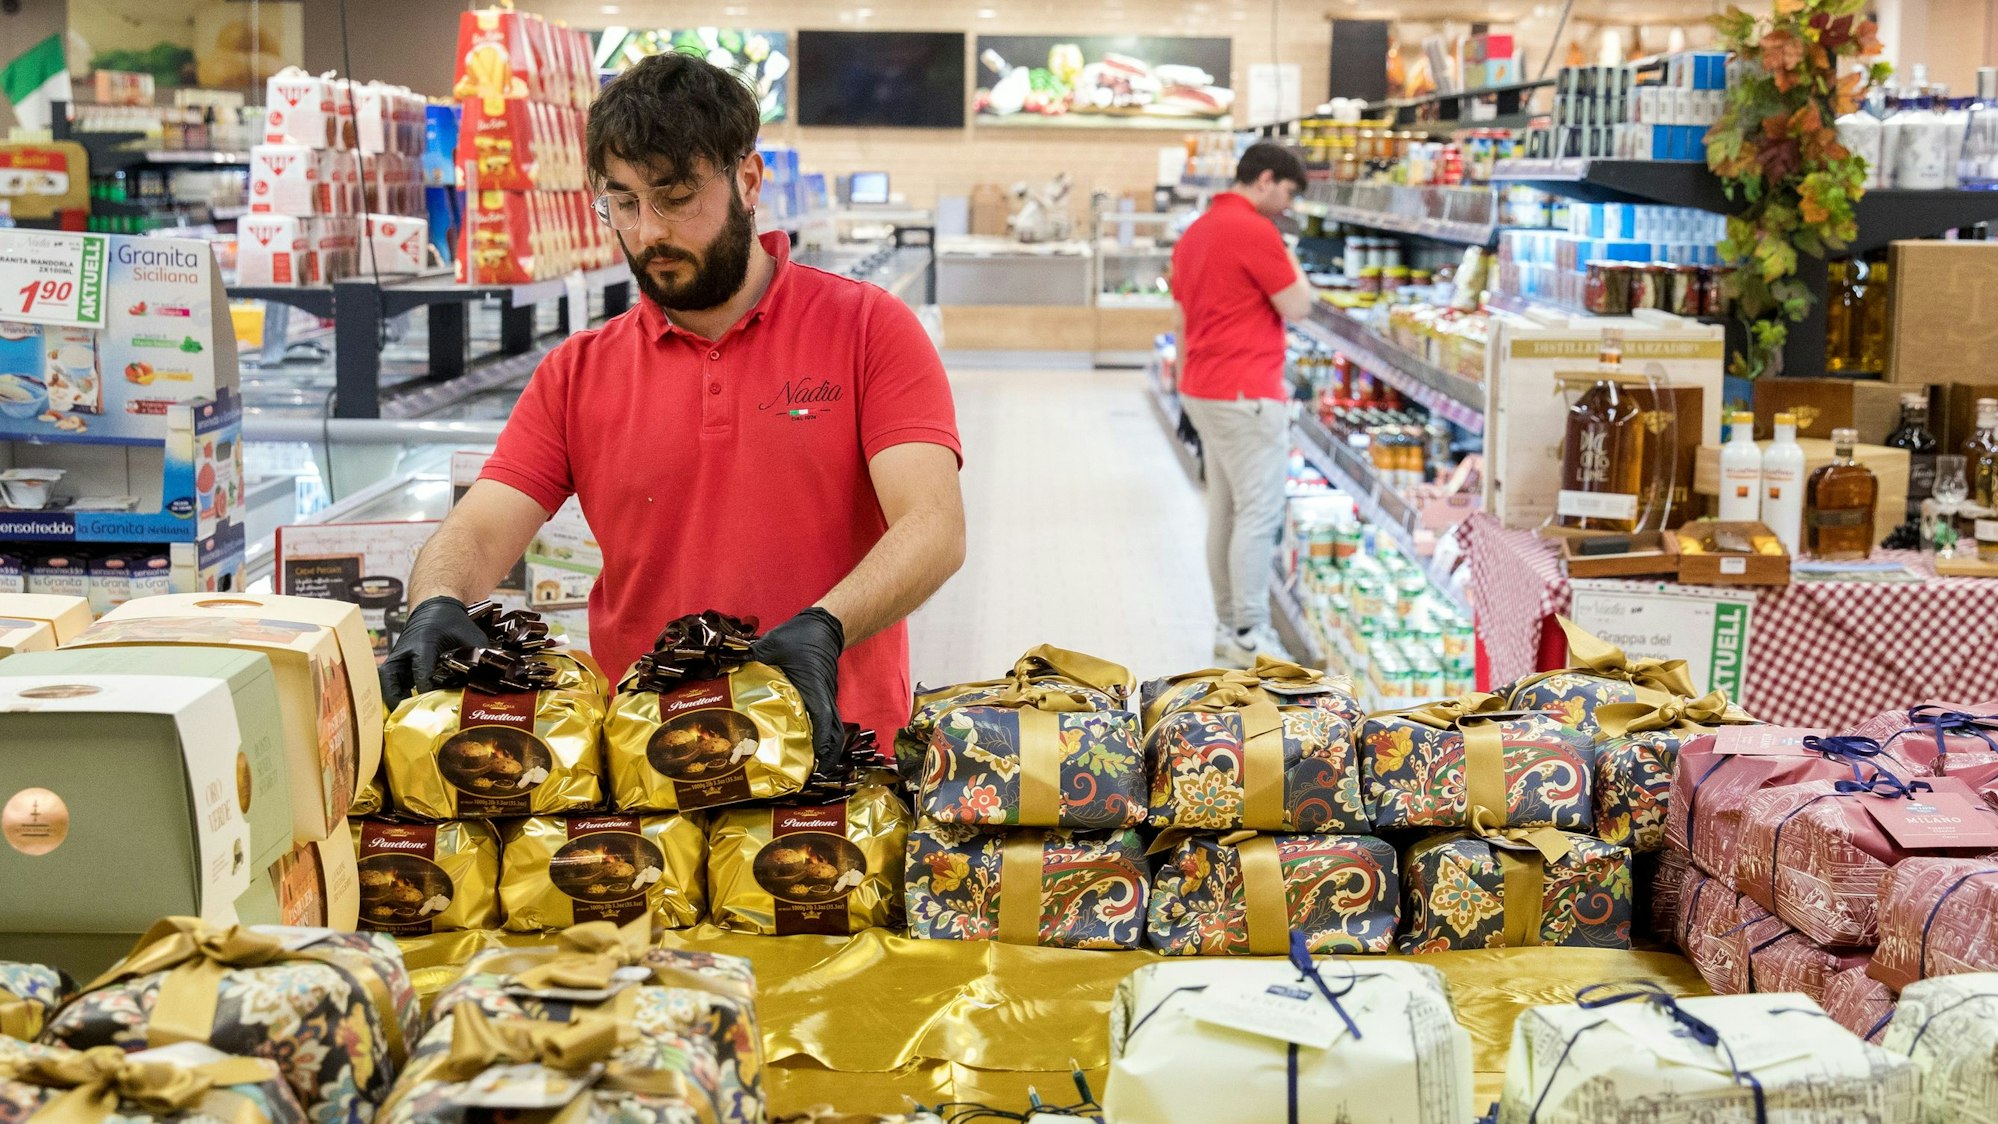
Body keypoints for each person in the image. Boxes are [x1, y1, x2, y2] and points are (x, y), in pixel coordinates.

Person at [379, 53, 967, 760]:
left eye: (676, 195)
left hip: (837, 751)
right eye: (624, 203)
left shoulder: (868, 328)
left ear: (747, 181)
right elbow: (478, 528)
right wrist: (437, 601)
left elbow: (934, 525)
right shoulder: (577, 371)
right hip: (647, 762)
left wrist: (826, 627)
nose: (649, 230)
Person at [1169, 142, 1315, 667]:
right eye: (1288, 192)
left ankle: (1228, 626)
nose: (1288, 204)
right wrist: (1290, 252)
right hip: (1245, 391)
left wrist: (1184, 386)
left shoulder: (1196, 231)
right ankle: (1251, 633)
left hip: (1204, 386)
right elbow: (1299, 305)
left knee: (1226, 512)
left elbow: (1182, 319)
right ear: (1266, 179)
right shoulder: (1256, 231)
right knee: (1258, 513)